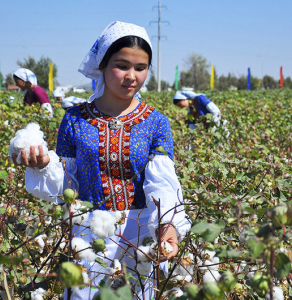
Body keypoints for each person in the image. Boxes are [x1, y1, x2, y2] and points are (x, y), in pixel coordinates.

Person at [11, 21, 190, 300]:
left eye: (141, 68)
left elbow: (162, 184)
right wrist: (44, 166)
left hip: (141, 230)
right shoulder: (75, 119)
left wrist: (168, 225)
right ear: (102, 66)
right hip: (89, 232)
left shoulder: (156, 122)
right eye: (122, 65)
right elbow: (68, 185)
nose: (132, 76)